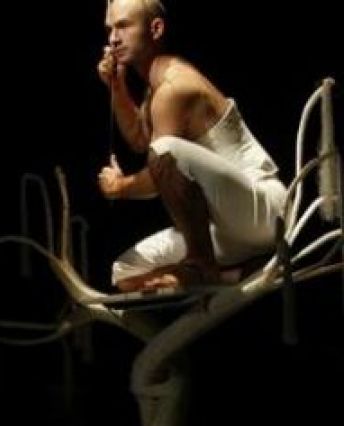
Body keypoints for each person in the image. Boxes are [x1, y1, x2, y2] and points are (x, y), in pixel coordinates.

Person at [97, 0, 287, 292]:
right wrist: (118, 87)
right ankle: (235, 274)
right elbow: (139, 139)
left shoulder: (174, 87)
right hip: (224, 227)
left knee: (166, 150)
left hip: (263, 214)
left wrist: (120, 187)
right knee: (125, 271)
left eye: (123, 26)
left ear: (156, 29)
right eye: (109, 29)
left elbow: (160, 166)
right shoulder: (155, 86)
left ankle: (200, 266)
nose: (112, 38)